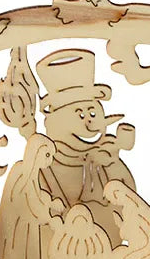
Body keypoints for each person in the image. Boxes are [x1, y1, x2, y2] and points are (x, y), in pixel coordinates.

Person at [36, 48, 137, 245]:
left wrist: (113, 161)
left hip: (107, 246)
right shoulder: (46, 165)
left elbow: (128, 194)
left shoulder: (104, 156)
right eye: (80, 115)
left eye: (92, 114)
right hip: (59, 249)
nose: (89, 123)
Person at [0, 134, 64, 259]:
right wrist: (48, 218)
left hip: (27, 224)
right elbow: (29, 202)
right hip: (18, 225)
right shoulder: (21, 171)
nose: (50, 161)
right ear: (36, 151)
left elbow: (35, 194)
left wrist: (50, 203)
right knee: (18, 254)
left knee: (28, 253)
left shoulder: (31, 173)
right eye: (47, 155)